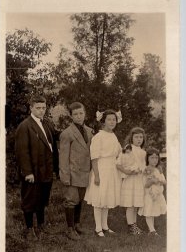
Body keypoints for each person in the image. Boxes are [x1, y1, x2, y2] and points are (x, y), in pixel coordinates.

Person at [15, 95, 59, 240]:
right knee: (29, 200)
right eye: (38, 108)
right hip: (33, 171)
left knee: (42, 199)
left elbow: (54, 138)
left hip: (45, 170)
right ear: (31, 108)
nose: (41, 111)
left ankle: (41, 226)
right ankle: (29, 229)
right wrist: (27, 172)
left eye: (43, 108)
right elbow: (22, 151)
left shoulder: (46, 123)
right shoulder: (25, 126)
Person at [84, 109, 122, 237]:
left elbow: (118, 153)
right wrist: (97, 175)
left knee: (107, 198)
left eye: (114, 119)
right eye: (109, 119)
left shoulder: (113, 136)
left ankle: (105, 226)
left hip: (111, 169)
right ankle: (98, 228)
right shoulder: (98, 137)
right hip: (101, 169)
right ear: (103, 122)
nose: (112, 122)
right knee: (99, 198)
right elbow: (94, 157)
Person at [59, 102, 93, 240]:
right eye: (75, 114)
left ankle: (77, 224)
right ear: (71, 116)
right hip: (72, 173)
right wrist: (65, 176)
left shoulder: (89, 131)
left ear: (85, 113)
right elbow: (63, 157)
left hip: (85, 172)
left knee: (79, 200)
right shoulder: (67, 134)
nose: (79, 116)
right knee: (71, 200)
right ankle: (70, 229)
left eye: (81, 113)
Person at [117, 127, 146, 235]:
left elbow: (144, 166)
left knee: (135, 204)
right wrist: (128, 172)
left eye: (141, 137)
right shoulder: (128, 148)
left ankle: (134, 225)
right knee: (130, 204)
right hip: (130, 180)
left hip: (138, 180)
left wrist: (142, 170)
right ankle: (131, 227)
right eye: (136, 137)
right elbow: (119, 164)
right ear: (131, 138)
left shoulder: (143, 152)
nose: (139, 139)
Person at [138, 148, 167, 236]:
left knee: (153, 211)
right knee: (149, 211)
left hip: (158, 194)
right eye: (152, 158)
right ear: (147, 158)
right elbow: (146, 184)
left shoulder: (159, 169)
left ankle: (152, 229)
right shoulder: (147, 169)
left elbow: (164, 181)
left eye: (156, 158)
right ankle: (151, 230)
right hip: (150, 194)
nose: (154, 160)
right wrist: (152, 181)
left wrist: (160, 181)